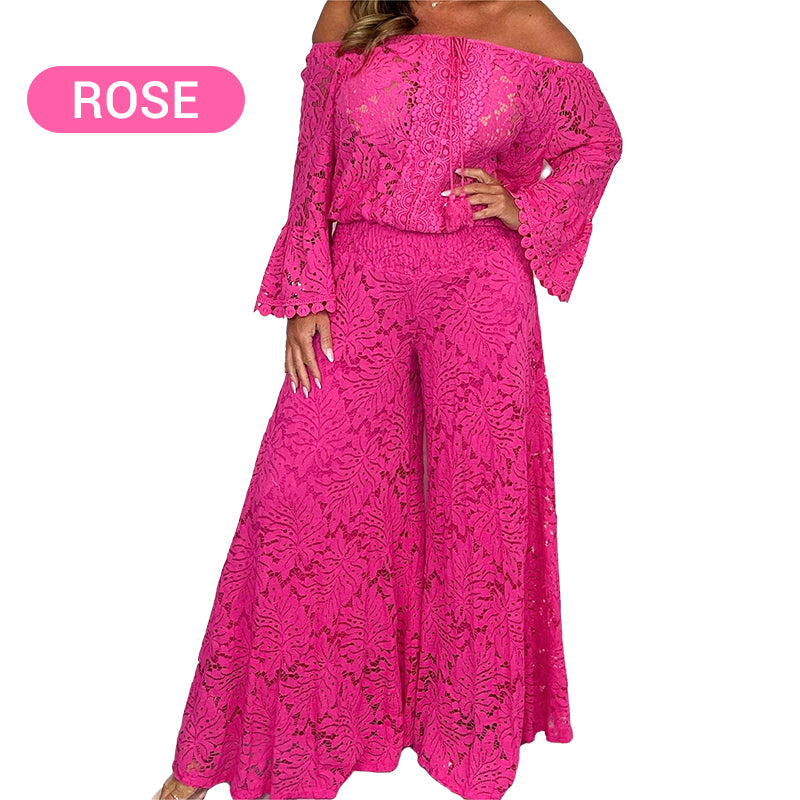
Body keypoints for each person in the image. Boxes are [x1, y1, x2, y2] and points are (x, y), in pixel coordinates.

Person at [153, 1, 623, 798]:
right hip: (360, 278)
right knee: (295, 499)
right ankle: (240, 752)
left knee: (477, 507)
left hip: (482, 291)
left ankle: (464, 739)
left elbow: (598, 142)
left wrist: (528, 207)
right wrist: (305, 287)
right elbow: (312, 166)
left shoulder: (532, 27)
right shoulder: (357, 8)